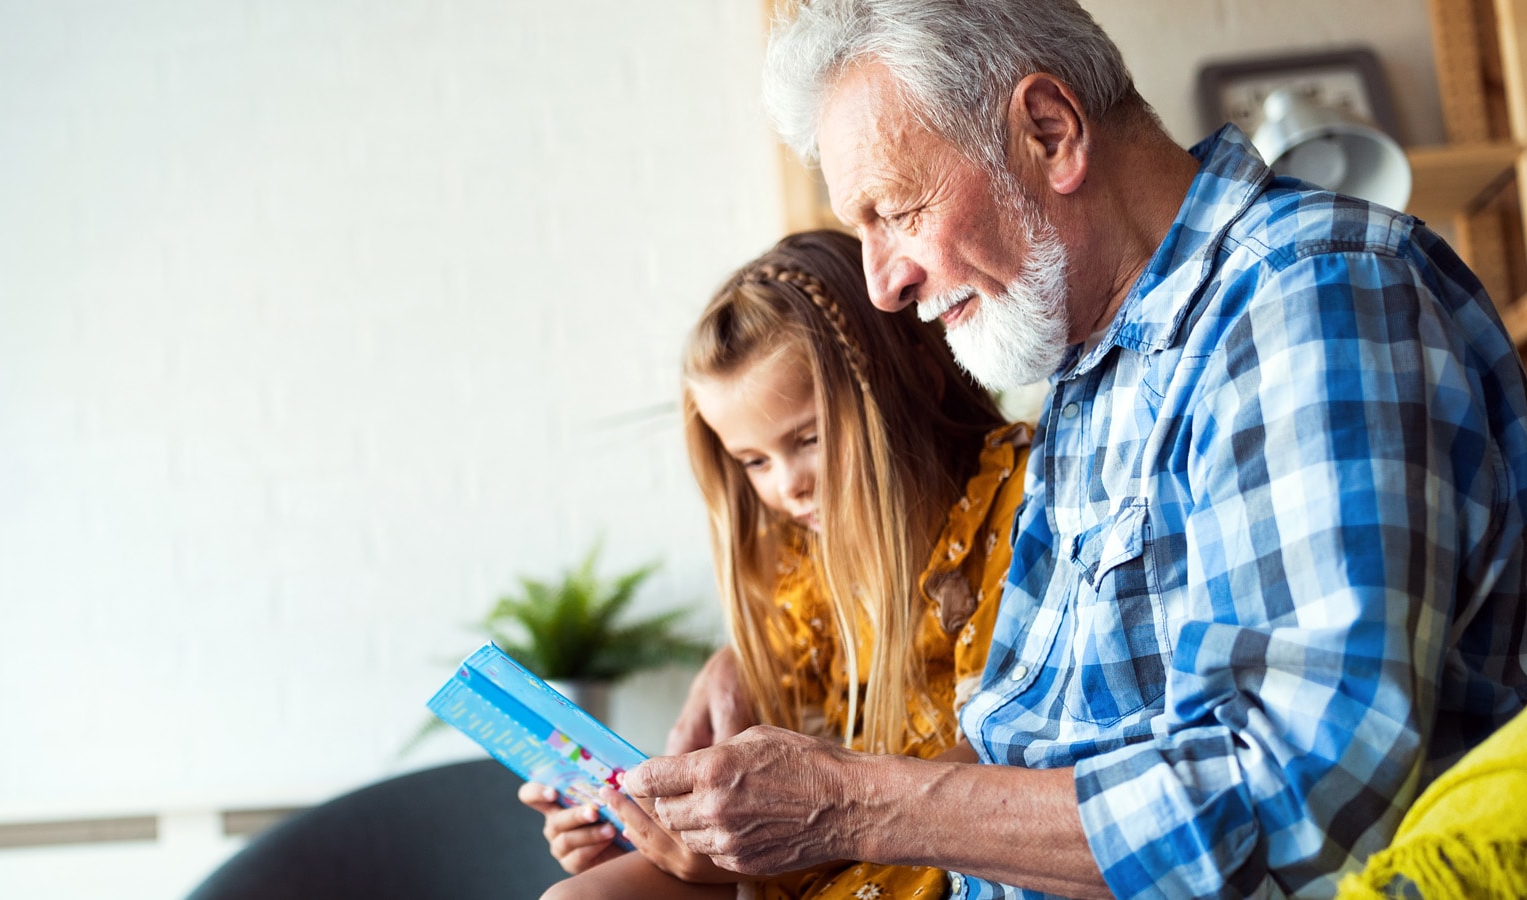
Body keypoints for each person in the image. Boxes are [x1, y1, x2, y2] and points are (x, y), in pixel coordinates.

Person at [623, 2, 1527, 899]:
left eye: (897, 210)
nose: (883, 284)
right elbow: (1023, 735)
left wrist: (854, 804)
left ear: (1051, 133)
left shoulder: (1310, 303)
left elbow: (1297, 799)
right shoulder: (1095, 361)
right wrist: (748, 762)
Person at [520, 229, 1031, 900]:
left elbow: (1007, 761)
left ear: (917, 381)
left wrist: (745, 859)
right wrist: (640, 826)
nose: (786, 486)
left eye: (810, 439)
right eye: (754, 461)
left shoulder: (1019, 504)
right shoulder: (798, 570)